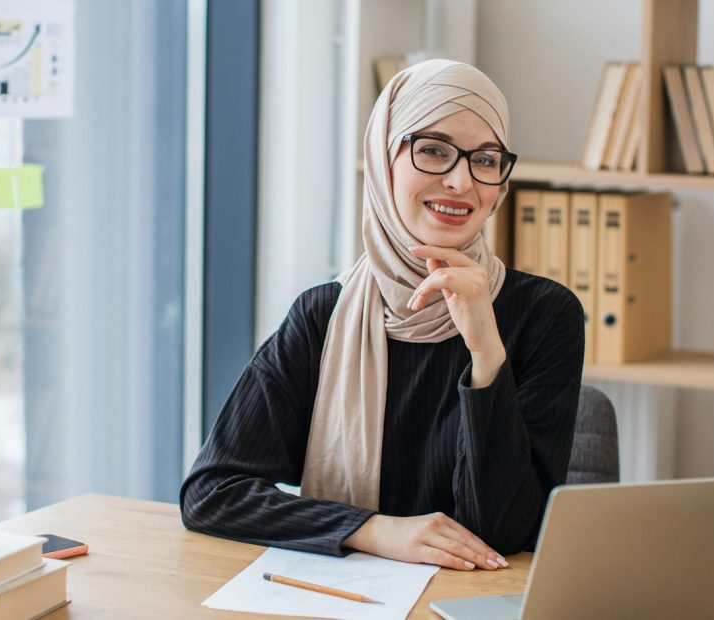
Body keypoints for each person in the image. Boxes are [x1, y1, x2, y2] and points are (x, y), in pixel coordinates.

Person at [180, 59, 583, 573]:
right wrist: (374, 529)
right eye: (433, 150)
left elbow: (503, 533)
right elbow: (212, 494)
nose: (461, 181)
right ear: (382, 159)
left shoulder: (546, 315)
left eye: (485, 159)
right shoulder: (323, 316)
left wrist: (486, 355)